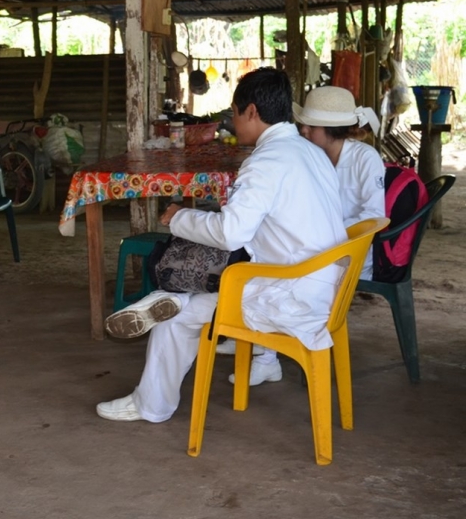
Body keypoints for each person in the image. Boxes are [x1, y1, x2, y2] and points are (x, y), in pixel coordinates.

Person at [97, 68, 347, 423]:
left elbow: (231, 232)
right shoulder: (310, 153)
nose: (232, 121)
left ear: (252, 112)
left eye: (233, 112)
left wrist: (178, 216)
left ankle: (151, 404)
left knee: (178, 317)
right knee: (209, 273)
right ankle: (166, 299)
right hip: (323, 286)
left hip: (291, 297)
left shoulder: (266, 162)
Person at [215, 86, 385, 378]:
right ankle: (261, 350)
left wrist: (320, 229)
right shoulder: (309, 155)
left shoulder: (364, 159)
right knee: (265, 242)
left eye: (310, 126)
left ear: (332, 130)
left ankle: (259, 345)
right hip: (312, 249)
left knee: (270, 254)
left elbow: (373, 216)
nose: (302, 130)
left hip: (343, 254)